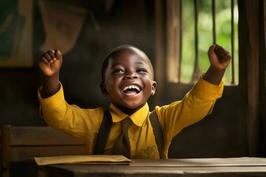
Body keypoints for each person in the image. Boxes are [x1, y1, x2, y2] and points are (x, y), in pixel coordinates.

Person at [38, 44, 231, 159]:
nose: (131, 75)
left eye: (140, 71)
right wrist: (51, 77)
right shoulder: (95, 122)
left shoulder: (163, 120)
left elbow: (195, 105)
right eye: (119, 71)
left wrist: (216, 71)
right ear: (104, 88)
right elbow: (59, 116)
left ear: (153, 87)